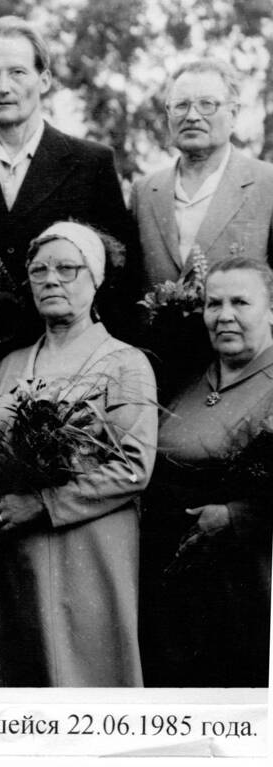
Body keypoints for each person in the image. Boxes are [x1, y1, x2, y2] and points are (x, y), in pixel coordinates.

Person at [0, 221, 157, 687]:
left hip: (90, 546)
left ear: (95, 280)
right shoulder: (10, 364)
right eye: (39, 270)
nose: (51, 279)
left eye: (67, 269)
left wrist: (43, 504)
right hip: (15, 548)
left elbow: (134, 467)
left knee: (85, 675)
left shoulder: (123, 361)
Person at [0, 17, 134, 368]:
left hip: (71, 371)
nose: (3, 87)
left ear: (44, 79)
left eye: (18, 72)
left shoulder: (91, 164)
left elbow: (120, 281)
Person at [140, 256, 273, 687]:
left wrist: (236, 515)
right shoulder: (191, 379)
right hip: (175, 576)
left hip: (245, 581)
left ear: (271, 309)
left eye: (241, 302)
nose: (225, 315)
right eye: (214, 304)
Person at [130, 59, 273, 395]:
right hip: (161, 371)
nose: (192, 116)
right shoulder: (145, 191)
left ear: (234, 113)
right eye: (181, 105)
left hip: (246, 369)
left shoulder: (267, 183)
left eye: (207, 104)